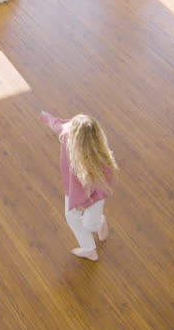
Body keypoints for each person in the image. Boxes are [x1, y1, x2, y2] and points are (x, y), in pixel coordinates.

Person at [40, 111, 119, 261]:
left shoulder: (103, 161)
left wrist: (87, 203)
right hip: (73, 190)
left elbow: (104, 190)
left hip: (94, 195)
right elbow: (57, 124)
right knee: (72, 218)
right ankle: (89, 249)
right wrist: (45, 116)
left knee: (90, 224)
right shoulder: (68, 131)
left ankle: (100, 223)